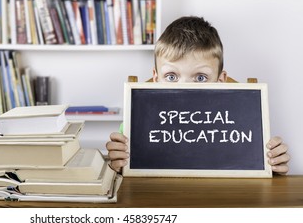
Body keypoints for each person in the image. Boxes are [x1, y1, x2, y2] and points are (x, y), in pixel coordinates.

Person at [106, 16, 290, 175]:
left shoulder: (238, 120)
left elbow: (250, 163)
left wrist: (271, 163)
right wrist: (118, 165)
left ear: (220, 80)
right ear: (156, 78)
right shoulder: (137, 123)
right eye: (171, 76)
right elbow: (122, 175)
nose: (184, 89)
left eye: (200, 77)